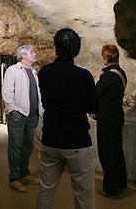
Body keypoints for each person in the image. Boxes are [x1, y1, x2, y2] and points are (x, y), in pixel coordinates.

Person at [36, 28, 97, 209]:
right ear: (76, 50)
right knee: (84, 194)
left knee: (45, 190)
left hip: (51, 138)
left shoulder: (45, 72)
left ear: (56, 48)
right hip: (77, 141)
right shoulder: (83, 76)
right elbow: (93, 108)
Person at [2, 44, 42, 193]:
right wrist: (13, 111)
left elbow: (38, 94)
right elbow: (7, 92)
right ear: (23, 56)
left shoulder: (33, 72)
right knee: (15, 147)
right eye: (32, 52)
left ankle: (24, 173)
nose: (35, 54)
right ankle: (14, 177)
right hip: (18, 116)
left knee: (28, 146)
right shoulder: (13, 70)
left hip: (32, 116)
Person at [95, 44, 128, 199]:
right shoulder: (122, 74)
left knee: (107, 154)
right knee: (117, 151)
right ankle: (121, 183)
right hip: (117, 117)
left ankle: (111, 189)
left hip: (106, 119)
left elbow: (95, 95)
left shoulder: (107, 77)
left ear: (106, 58)